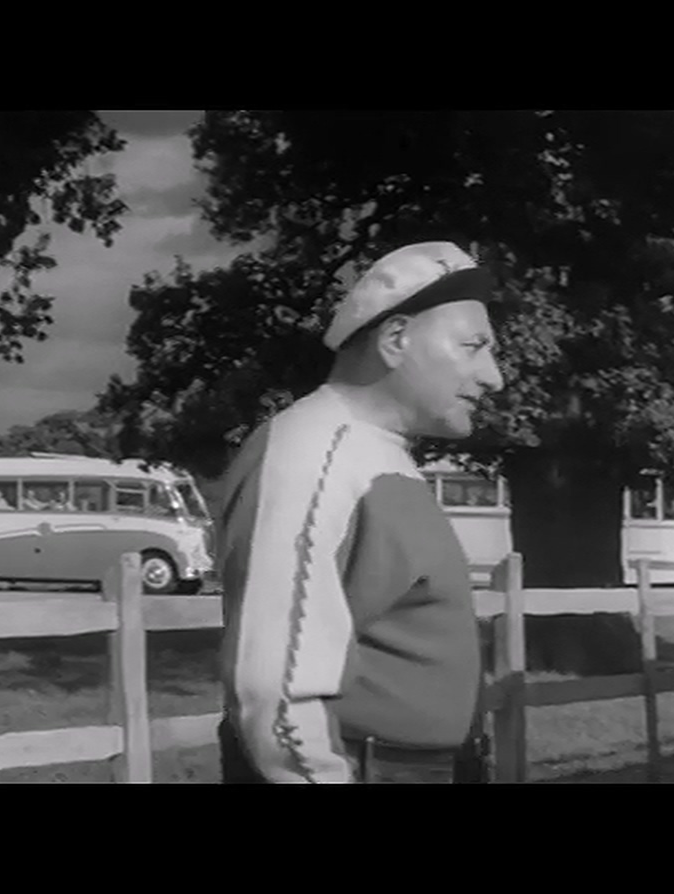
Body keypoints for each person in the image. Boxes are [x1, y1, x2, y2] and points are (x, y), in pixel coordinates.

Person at [215, 240, 505, 784]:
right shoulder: (311, 458)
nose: (494, 377)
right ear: (395, 339)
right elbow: (276, 690)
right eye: (473, 347)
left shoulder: (371, 454)